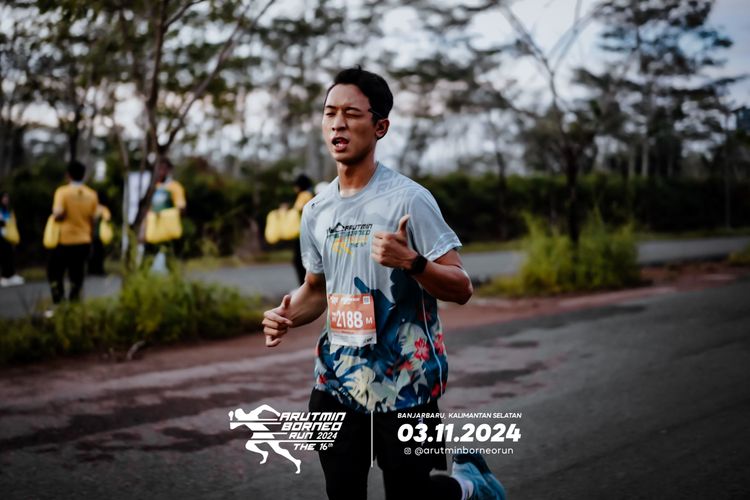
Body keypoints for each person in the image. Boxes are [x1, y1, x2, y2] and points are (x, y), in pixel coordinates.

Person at [262, 67, 506, 500]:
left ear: (380, 127)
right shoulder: (316, 210)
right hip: (337, 381)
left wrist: (412, 262)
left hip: (406, 384)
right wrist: (286, 316)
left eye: (351, 114)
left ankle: (469, 486)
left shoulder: (409, 199)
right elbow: (316, 290)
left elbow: (461, 287)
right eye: (330, 113)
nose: (337, 123)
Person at [47, 160, 98, 307]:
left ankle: (59, 304)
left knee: (54, 272)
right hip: (84, 240)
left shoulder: (62, 192)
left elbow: (58, 213)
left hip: (64, 240)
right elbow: (93, 219)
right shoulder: (91, 194)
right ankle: (74, 305)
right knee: (77, 275)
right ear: (83, 175)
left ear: (68, 175)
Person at [142, 157, 186, 271]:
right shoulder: (151, 188)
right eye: (158, 168)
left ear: (169, 170)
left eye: (163, 169)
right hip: (153, 231)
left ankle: (175, 280)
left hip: (169, 232)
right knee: (146, 262)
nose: (160, 171)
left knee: (172, 263)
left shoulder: (175, 187)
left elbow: (181, 208)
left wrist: (165, 215)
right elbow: (146, 210)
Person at [292, 174, 314, 285]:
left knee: (300, 262)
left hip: (303, 233)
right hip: (308, 233)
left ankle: (304, 286)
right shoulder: (310, 194)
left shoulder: (304, 195)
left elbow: (298, 210)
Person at [0, 191, 25, 287]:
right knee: (4, 257)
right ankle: (4, 277)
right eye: (4, 197)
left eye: (7, 197)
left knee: (10, 256)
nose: (6, 199)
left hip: (9, 236)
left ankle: (10, 275)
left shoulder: (8, 209)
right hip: (2, 236)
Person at [89, 191, 112, 275]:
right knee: (99, 254)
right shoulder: (103, 209)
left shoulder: (91, 207)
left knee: (92, 253)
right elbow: (108, 219)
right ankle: (99, 270)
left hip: (91, 234)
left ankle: (91, 270)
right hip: (99, 235)